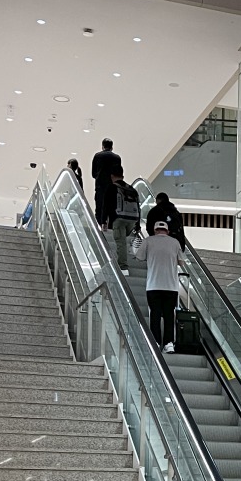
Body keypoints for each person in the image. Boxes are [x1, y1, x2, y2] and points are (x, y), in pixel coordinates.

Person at [131, 221, 184, 352]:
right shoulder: (175, 242)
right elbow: (181, 262)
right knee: (169, 315)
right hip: (171, 286)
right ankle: (168, 343)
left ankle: (155, 342)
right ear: (167, 231)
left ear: (155, 230)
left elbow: (139, 257)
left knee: (155, 314)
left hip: (153, 285)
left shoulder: (148, 241)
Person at [106, 172, 141, 272]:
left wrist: (104, 221)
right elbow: (138, 207)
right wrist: (138, 225)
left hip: (120, 219)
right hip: (132, 219)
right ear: (123, 176)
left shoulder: (112, 187)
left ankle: (123, 267)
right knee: (123, 240)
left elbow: (106, 205)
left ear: (112, 176)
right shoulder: (132, 189)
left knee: (121, 242)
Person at [90, 139, 122, 228]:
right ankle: (111, 228)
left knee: (99, 209)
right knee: (112, 209)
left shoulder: (97, 156)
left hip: (100, 187)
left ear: (102, 146)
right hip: (113, 187)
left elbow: (93, 174)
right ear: (112, 147)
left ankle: (99, 228)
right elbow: (118, 173)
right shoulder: (117, 158)